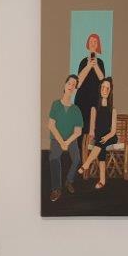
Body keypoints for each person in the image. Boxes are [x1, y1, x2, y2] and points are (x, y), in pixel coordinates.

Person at [46, 74, 84, 202]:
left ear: (75, 90)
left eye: (74, 85)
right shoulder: (55, 104)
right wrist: (62, 142)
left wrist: (67, 142)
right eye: (69, 83)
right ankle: (56, 189)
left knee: (77, 159)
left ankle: (69, 180)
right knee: (54, 158)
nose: (71, 86)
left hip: (71, 140)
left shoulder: (76, 110)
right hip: (56, 139)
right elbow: (51, 125)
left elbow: (78, 132)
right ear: (65, 85)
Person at [79, 77, 118, 190]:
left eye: (107, 88)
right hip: (100, 138)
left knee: (101, 142)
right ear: (100, 89)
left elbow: (113, 131)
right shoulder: (94, 109)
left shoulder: (113, 110)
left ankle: (86, 164)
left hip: (111, 137)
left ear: (110, 91)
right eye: (103, 87)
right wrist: (91, 136)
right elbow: (92, 129)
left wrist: (107, 137)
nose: (105, 90)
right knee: (101, 147)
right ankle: (102, 181)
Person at [74, 33, 106, 136]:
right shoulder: (83, 62)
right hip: (82, 99)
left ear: (98, 45)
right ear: (88, 43)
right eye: (91, 41)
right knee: (81, 130)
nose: (93, 43)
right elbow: (78, 83)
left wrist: (95, 65)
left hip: (95, 99)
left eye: (95, 42)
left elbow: (103, 80)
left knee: (93, 131)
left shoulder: (100, 62)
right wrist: (88, 66)